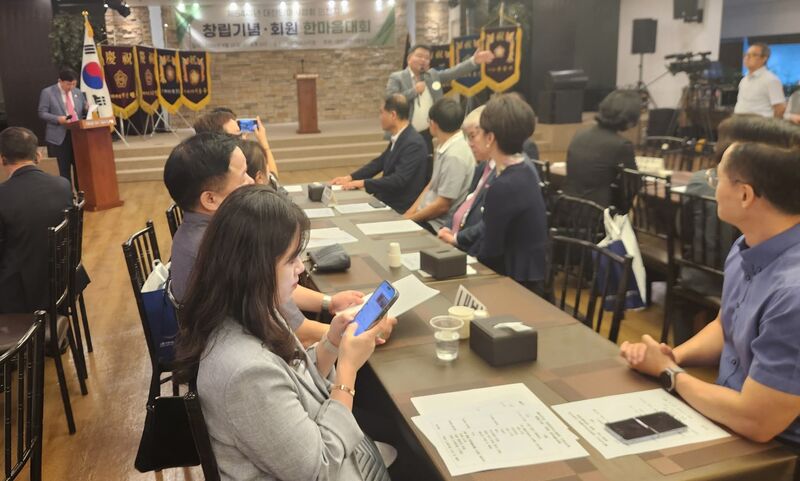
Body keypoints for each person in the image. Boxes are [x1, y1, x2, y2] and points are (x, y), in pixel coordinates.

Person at [174, 185, 394, 480]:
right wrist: (348, 371)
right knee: (410, 447)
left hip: (313, 446)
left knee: (394, 433)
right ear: (252, 268)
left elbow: (292, 378)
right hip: (322, 468)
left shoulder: (252, 309)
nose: (301, 268)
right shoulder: (244, 372)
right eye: (291, 259)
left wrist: (332, 343)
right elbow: (318, 470)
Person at [620, 120, 800, 446]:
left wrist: (669, 373)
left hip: (779, 448)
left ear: (745, 195)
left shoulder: (793, 293)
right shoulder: (747, 245)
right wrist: (670, 357)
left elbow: (758, 421)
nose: (711, 185)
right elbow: (726, 325)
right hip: (730, 415)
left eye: (716, 178)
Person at [164, 133, 372, 346]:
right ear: (210, 199)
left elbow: (275, 288)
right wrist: (361, 331)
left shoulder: (197, 231)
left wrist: (329, 302)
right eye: (243, 177)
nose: (252, 181)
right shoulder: (224, 248)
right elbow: (296, 332)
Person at [472, 94, 548, 294]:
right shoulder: (525, 167)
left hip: (518, 285)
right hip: (530, 273)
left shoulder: (504, 185)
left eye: (479, 132)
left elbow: (490, 252)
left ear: (490, 138)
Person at [0, 127, 73, 313]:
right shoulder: (63, 185)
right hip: (63, 280)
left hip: (21, 294)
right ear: (38, 155)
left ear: (2, 159)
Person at [386, 44, 494, 154]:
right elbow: (390, 100)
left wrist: (473, 61)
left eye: (427, 58)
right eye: (419, 56)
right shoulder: (397, 77)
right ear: (409, 58)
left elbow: (453, 73)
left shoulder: (431, 75)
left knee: (427, 162)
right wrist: (414, 91)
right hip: (404, 134)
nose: (423, 60)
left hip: (426, 134)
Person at [330, 95, 428, 214]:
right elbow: (379, 162)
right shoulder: (402, 136)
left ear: (393, 115)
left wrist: (363, 183)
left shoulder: (413, 143)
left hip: (398, 206)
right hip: (386, 198)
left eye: (382, 113)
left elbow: (399, 179)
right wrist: (350, 177)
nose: (379, 117)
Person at [403, 98, 474, 233]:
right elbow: (431, 185)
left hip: (437, 225)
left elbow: (442, 206)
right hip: (426, 216)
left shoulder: (455, 155)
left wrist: (409, 220)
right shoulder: (446, 145)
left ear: (434, 124)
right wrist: (408, 213)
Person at [563, 90, 639, 209]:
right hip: (596, 212)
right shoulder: (621, 145)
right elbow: (631, 187)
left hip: (566, 207)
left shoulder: (580, 134)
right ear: (629, 119)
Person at [437, 105, 492, 253]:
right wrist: (447, 227)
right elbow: (466, 203)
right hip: (456, 238)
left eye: (473, 136)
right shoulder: (483, 167)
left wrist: (456, 238)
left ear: (490, 135)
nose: (469, 144)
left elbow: (487, 224)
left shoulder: (502, 173)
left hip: (471, 247)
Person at [193, 108, 280, 178]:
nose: (241, 138)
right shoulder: (241, 173)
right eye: (238, 134)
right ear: (220, 141)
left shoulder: (199, 167)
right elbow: (273, 179)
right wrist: (263, 142)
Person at [37, 68, 87, 187]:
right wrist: (58, 119)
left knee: (79, 166)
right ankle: (67, 194)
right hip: (60, 136)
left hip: (77, 134)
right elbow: (42, 113)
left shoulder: (78, 92)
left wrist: (87, 108)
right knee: (64, 168)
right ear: (60, 81)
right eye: (68, 84)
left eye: (74, 84)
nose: (71, 87)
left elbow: (82, 111)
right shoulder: (48, 92)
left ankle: (81, 193)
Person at [734, 43, 786, 119]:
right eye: (746, 54)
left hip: (760, 124)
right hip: (739, 122)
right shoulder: (744, 80)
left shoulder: (771, 79)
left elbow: (780, 109)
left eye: (753, 55)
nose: (747, 57)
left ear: (764, 58)